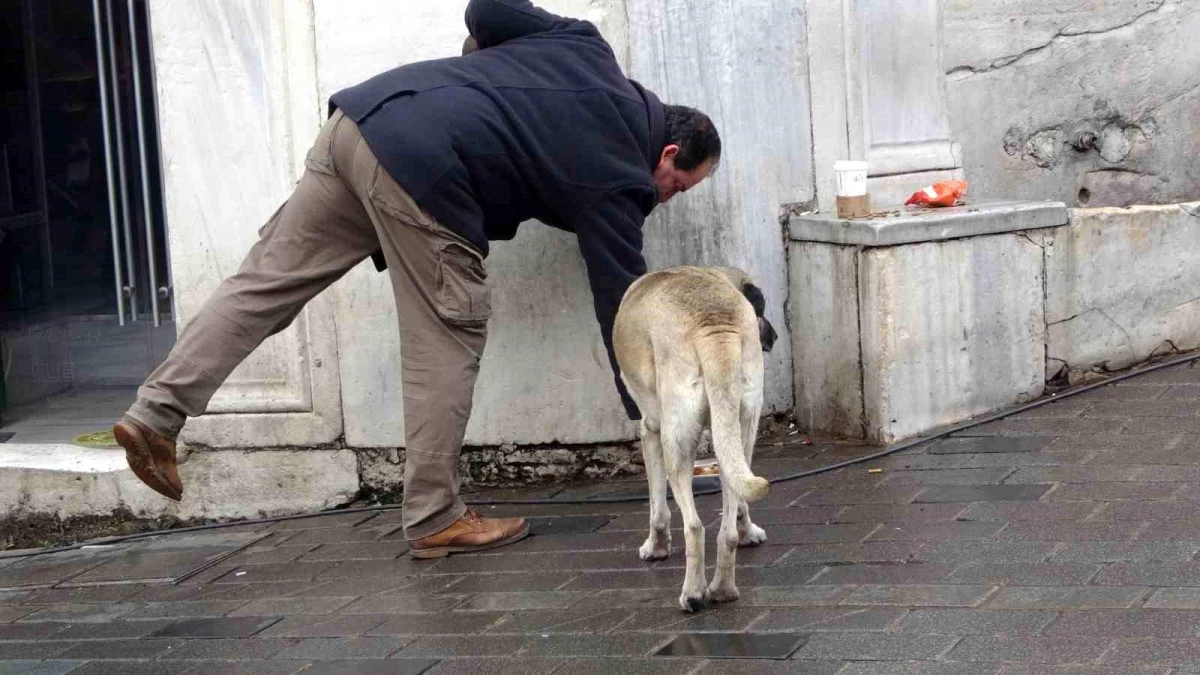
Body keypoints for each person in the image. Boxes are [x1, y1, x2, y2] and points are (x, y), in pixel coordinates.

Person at [112, 0, 721, 559]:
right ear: (668, 154)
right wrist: (665, 432)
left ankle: (155, 414)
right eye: (678, 187)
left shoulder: (585, 45)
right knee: (447, 335)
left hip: (361, 121)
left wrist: (481, 79)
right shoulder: (619, 175)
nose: (664, 198)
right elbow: (625, 307)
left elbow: (488, 6)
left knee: (263, 285)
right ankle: (434, 515)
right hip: (426, 169)